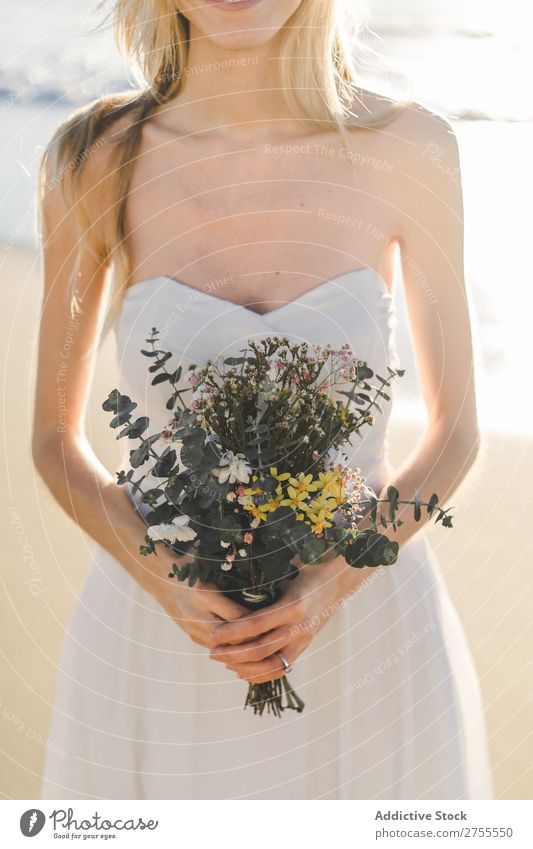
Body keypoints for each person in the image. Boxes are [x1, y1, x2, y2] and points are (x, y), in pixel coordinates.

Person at [33, 0, 493, 799]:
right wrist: (171, 581)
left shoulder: (412, 148)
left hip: (362, 620)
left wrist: (329, 586)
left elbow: (455, 431)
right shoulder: (99, 157)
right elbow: (52, 438)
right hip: (164, 623)